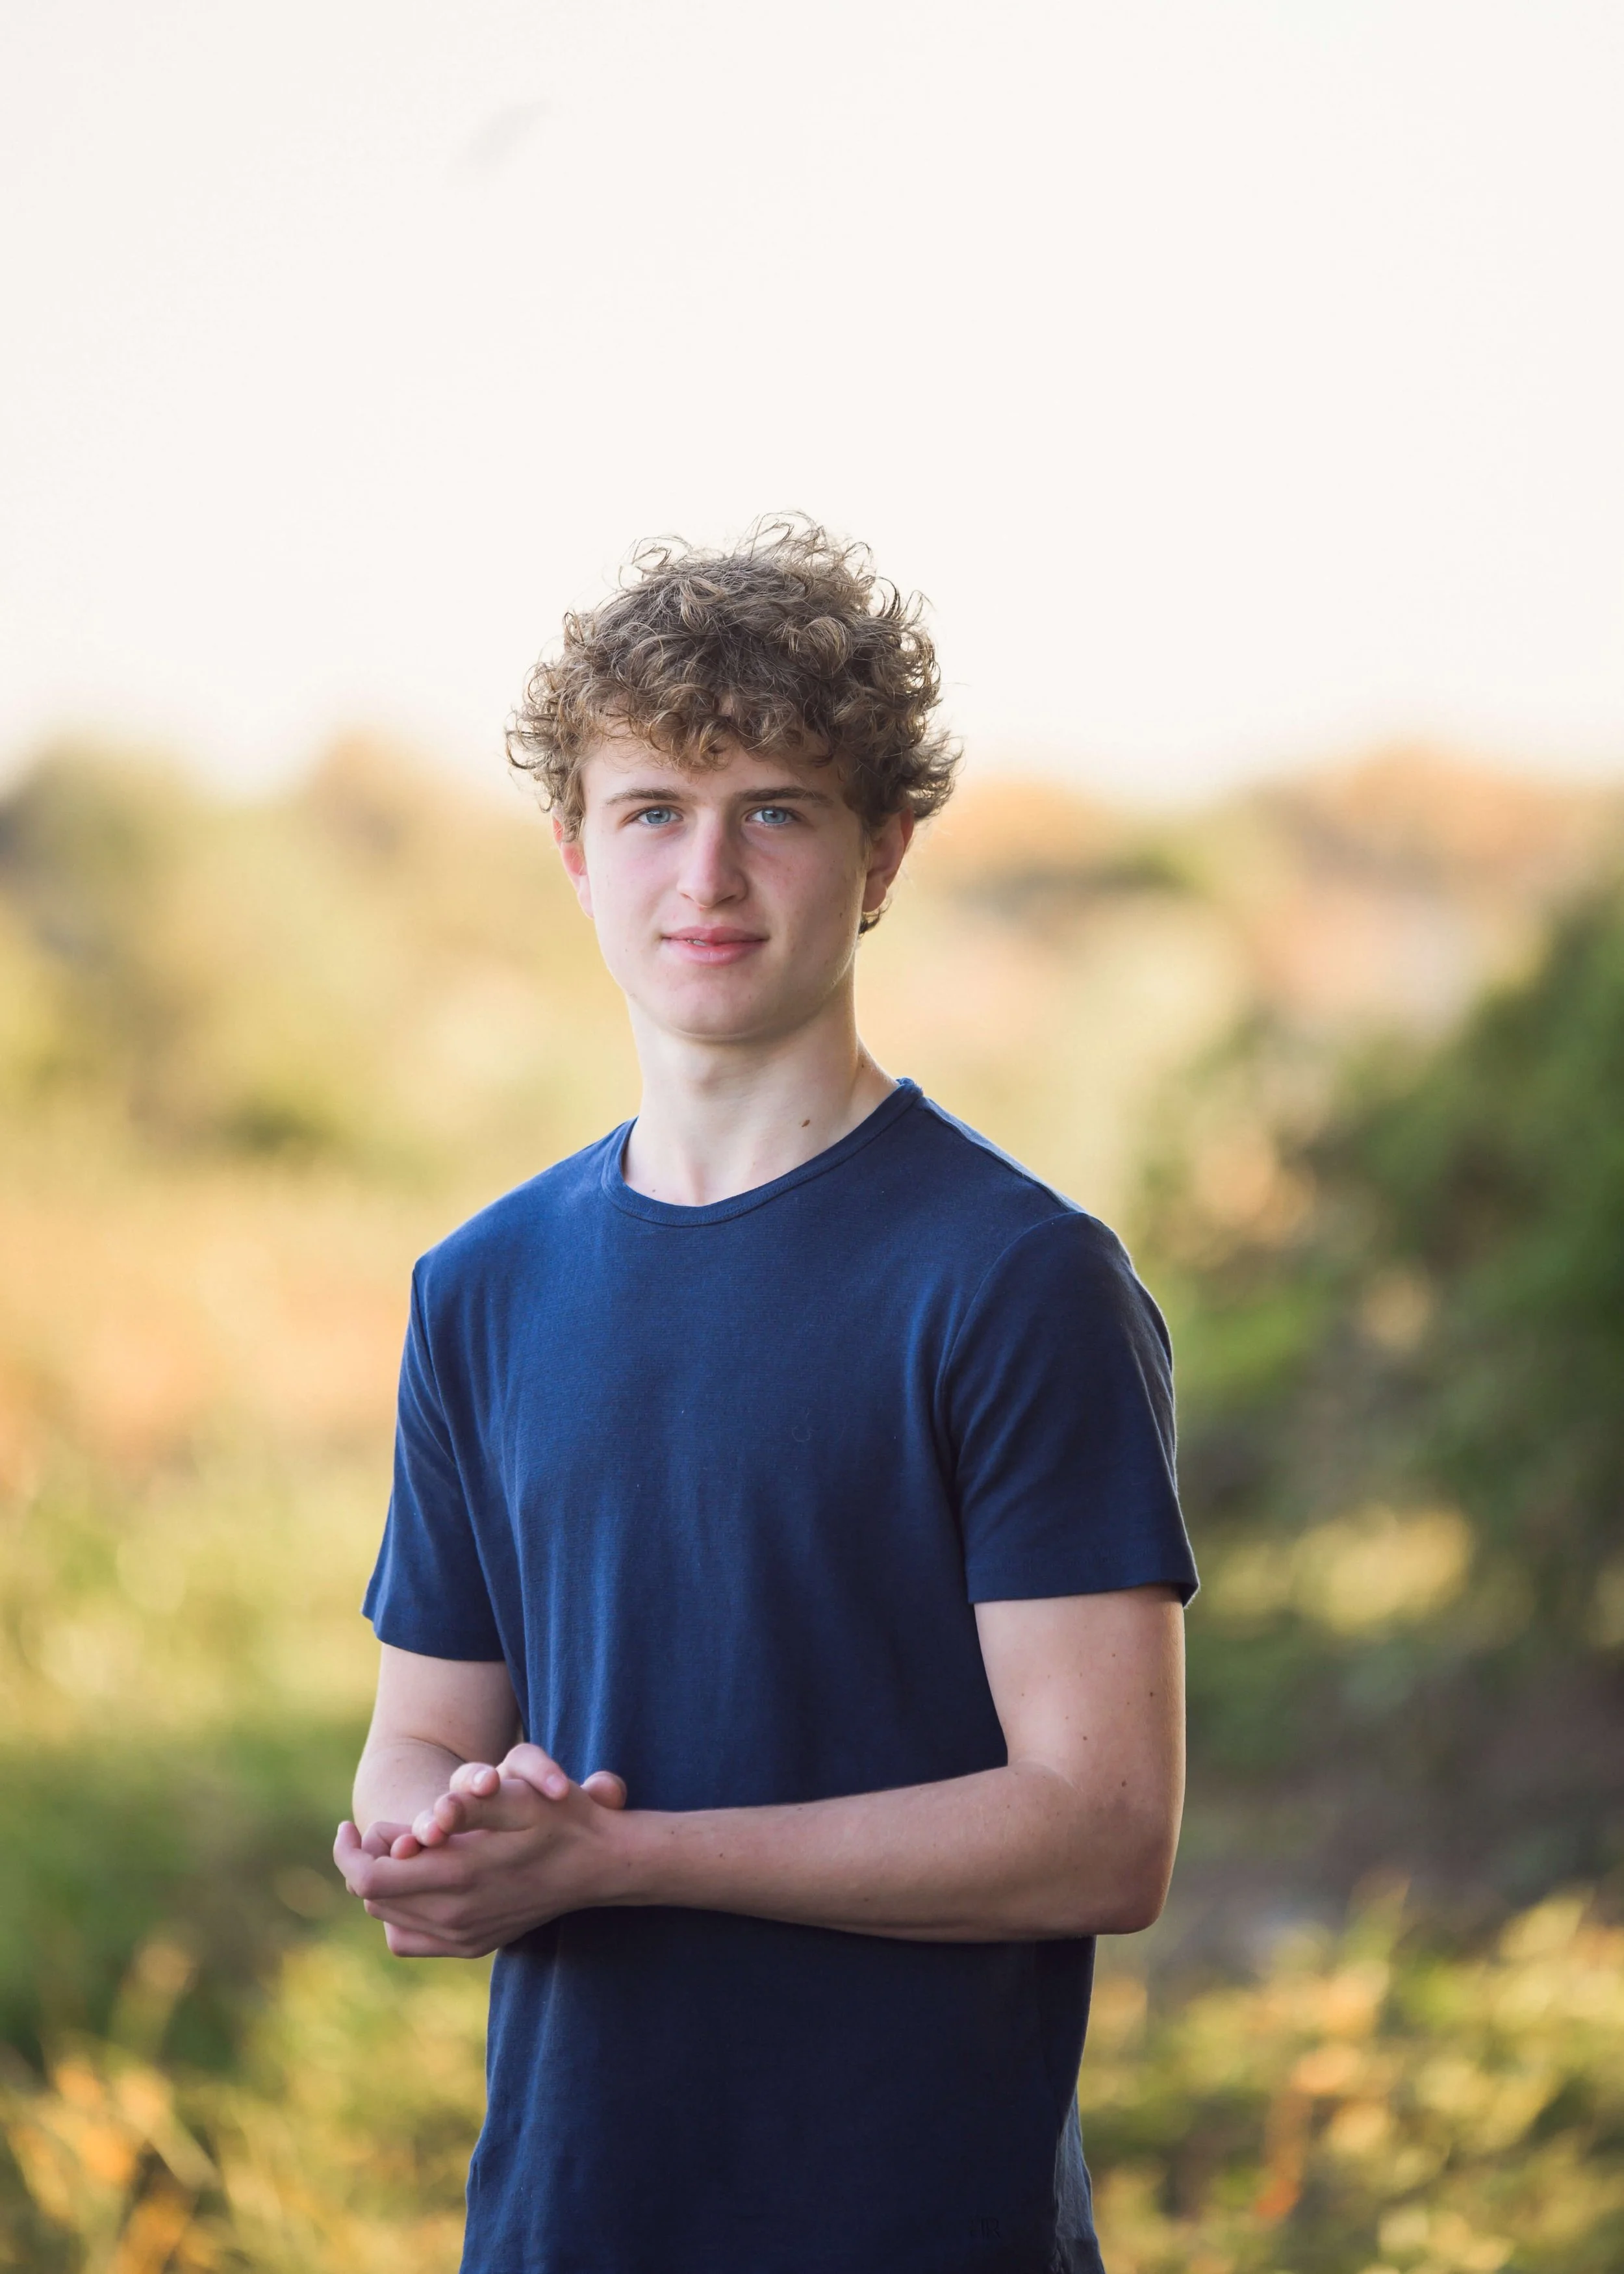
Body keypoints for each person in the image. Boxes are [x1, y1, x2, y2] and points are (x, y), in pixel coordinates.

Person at [334, 519, 1198, 2274]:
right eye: (653, 810)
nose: (707, 876)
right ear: (576, 854)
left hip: (911, 2218)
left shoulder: (1017, 1278)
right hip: (566, 2215)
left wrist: (621, 1857)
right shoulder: (479, 1287)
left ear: (883, 853)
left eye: (777, 811)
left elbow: (1102, 1833)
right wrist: (436, 1842)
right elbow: (416, 1736)